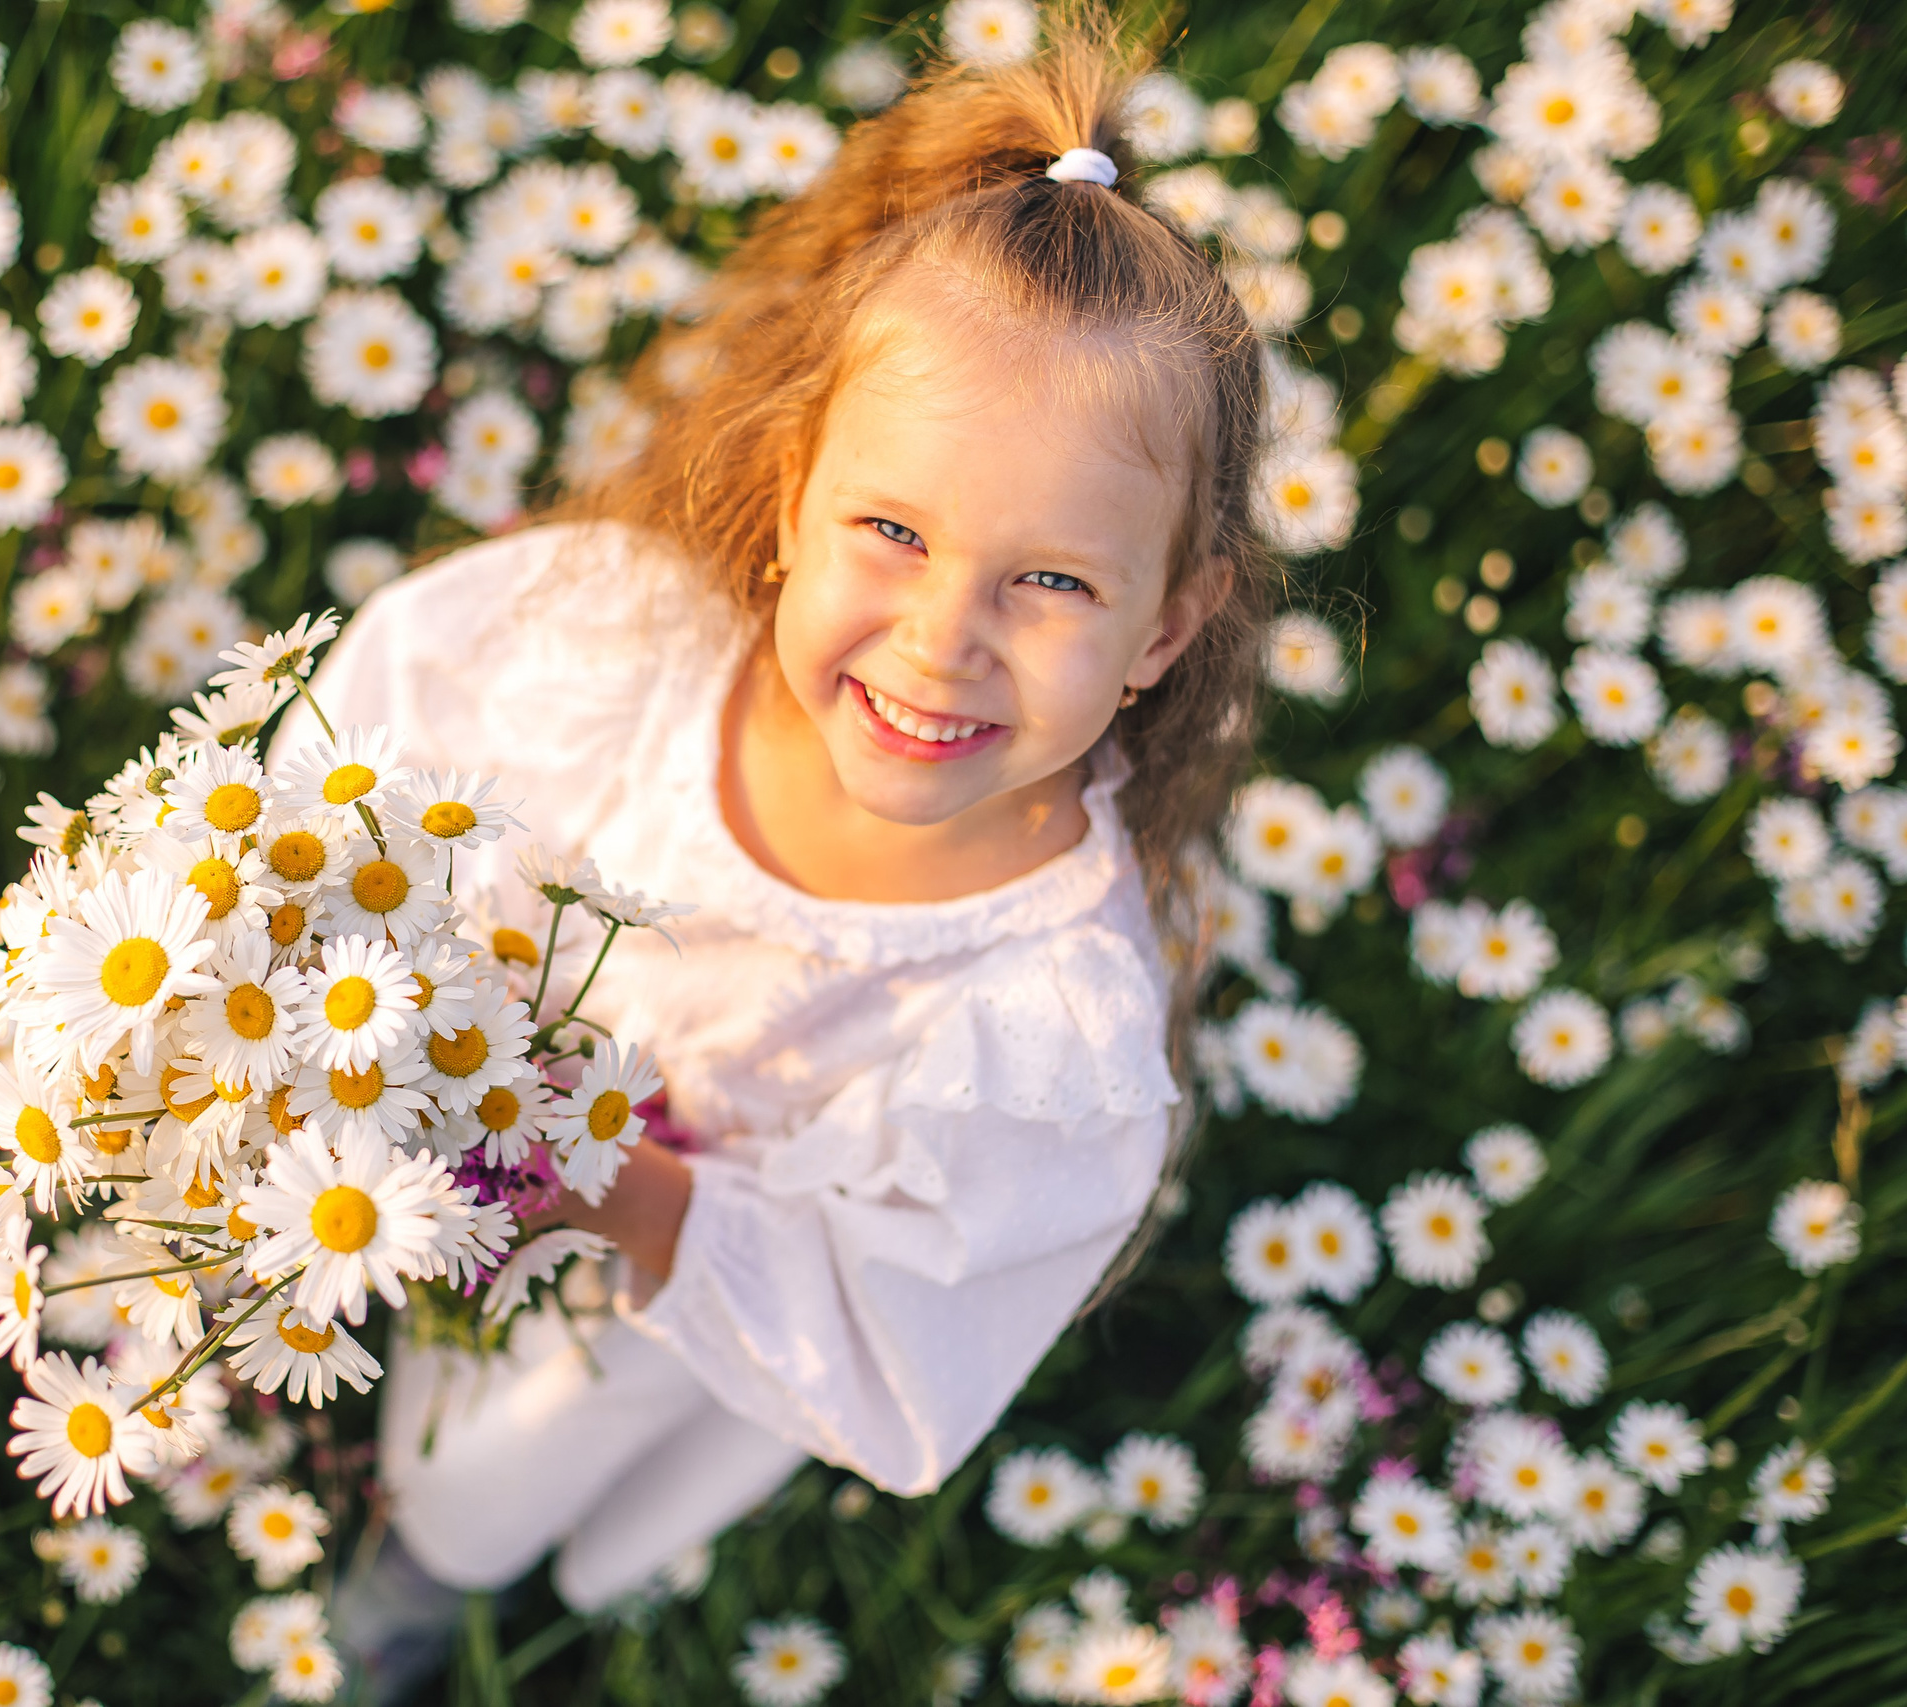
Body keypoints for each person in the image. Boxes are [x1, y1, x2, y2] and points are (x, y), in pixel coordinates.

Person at [304, 3, 1275, 1679]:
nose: (940, 641)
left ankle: (405, 1599)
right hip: (402, 1111)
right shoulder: (601, 656)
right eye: (890, 532)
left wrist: (615, 1184)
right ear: (788, 494)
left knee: (488, 1471)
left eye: (1052, 584)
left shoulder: (1041, 1029)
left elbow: (894, 1306)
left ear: (1165, 632)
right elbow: (348, 782)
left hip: (660, 1299)